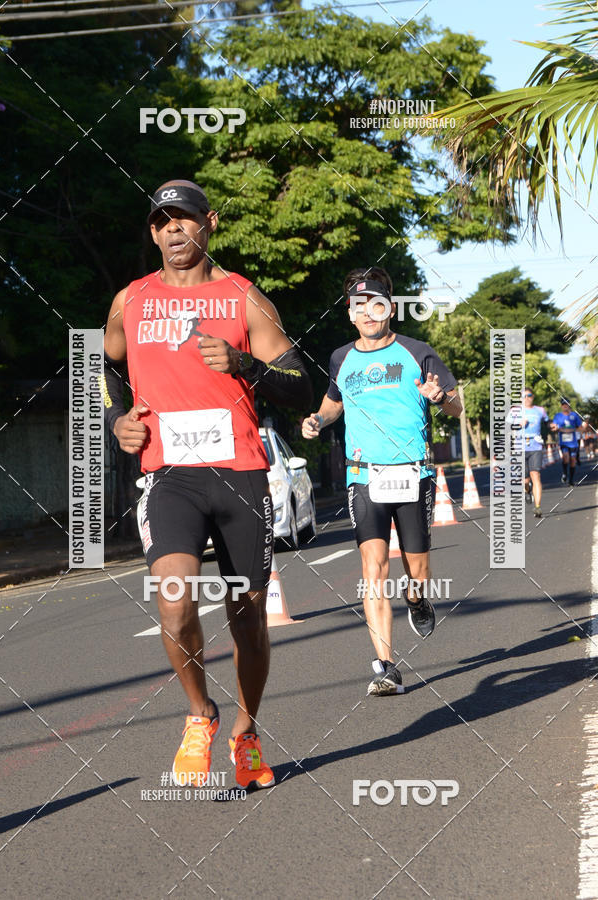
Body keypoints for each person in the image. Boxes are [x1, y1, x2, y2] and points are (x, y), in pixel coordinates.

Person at [102, 179, 312, 788]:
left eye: (184, 219)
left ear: (209, 223)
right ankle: (200, 715)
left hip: (240, 472)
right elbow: (98, 360)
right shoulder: (130, 300)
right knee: (174, 598)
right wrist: (116, 417)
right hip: (169, 476)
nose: (172, 231)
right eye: (161, 222)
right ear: (152, 232)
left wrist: (245, 364)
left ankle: (246, 732)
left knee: (247, 612)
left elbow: (300, 381)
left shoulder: (244, 298)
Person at [302, 267, 461, 696]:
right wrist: (317, 420)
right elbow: (333, 404)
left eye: (377, 304)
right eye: (360, 306)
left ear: (390, 308)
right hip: (363, 475)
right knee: (373, 569)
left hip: (414, 473)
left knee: (418, 572)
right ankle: (386, 666)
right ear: (351, 314)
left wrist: (441, 397)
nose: (369, 313)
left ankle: (416, 599)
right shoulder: (340, 358)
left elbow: (457, 407)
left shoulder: (417, 352)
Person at [520, 387, 549, 518]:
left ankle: (537, 507)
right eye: (524, 396)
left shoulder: (540, 411)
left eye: (529, 395)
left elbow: (548, 423)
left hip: (536, 446)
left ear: (533, 396)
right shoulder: (516, 411)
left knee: (535, 475)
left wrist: (552, 426)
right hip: (520, 448)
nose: (527, 398)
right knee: (525, 481)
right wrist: (518, 424)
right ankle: (527, 491)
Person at [551, 399, 586, 486]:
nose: (565, 406)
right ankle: (565, 473)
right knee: (566, 458)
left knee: (573, 460)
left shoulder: (574, 415)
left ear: (569, 405)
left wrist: (572, 429)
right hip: (564, 442)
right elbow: (554, 427)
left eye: (566, 404)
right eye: (563, 404)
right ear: (561, 406)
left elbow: (581, 428)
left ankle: (571, 480)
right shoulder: (558, 416)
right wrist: (556, 428)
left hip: (573, 443)